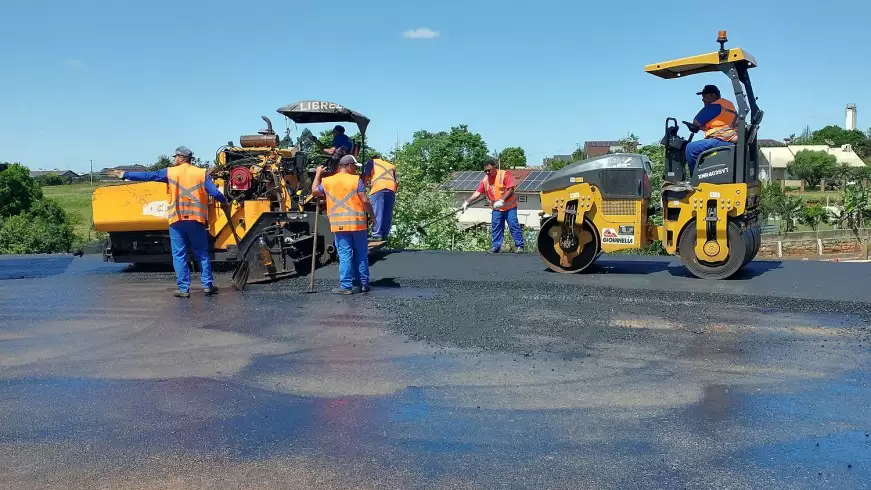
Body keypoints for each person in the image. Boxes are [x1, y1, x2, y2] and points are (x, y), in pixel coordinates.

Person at [111, 146, 228, 298]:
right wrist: (225, 201)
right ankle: (207, 285)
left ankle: (184, 289)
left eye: (175, 157)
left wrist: (125, 174)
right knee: (202, 254)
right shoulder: (201, 173)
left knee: (179, 255)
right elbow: (214, 192)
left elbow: (148, 176)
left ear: (180, 158)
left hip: (177, 220)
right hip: (196, 220)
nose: (174, 160)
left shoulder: (170, 172)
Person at [311, 154, 375, 295]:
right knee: (361, 255)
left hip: (339, 225)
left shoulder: (327, 182)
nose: (355, 170)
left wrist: (318, 174)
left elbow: (314, 192)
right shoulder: (356, 180)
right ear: (349, 166)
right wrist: (372, 217)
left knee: (345, 255)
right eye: (354, 167)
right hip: (358, 224)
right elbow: (365, 200)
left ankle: (346, 286)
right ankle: (363, 284)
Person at [461, 157, 524, 253]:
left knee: (513, 225)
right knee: (496, 226)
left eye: (489, 170)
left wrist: (502, 200)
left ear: (494, 167)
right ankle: (496, 247)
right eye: (485, 171)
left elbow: (510, 189)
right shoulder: (485, 180)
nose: (487, 173)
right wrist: (467, 202)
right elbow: (478, 193)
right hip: (496, 208)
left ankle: (519, 246)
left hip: (509, 207)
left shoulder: (503, 174)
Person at [684, 84, 739, 175]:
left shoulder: (714, 106)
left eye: (704, 96)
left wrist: (699, 127)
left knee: (690, 148)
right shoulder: (728, 104)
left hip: (722, 139)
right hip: (730, 138)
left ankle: (695, 179)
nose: (702, 99)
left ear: (713, 95)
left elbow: (696, 122)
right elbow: (721, 124)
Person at [362, 153, 397, 240]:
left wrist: (363, 186)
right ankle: (384, 234)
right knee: (387, 212)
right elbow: (396, 181)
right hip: (391, 188)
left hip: (378, 187)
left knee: (377, 211)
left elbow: (365, 176)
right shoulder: (390, 165)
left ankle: (377, 235)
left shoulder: (371, 162)